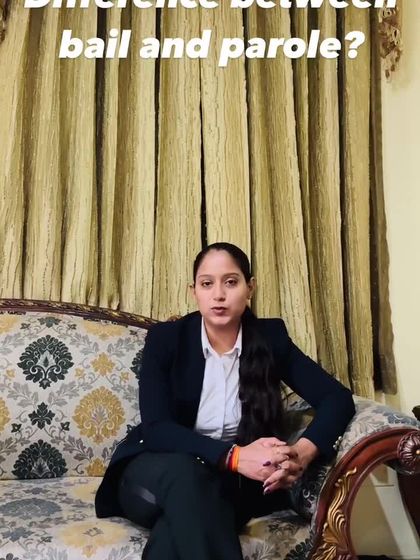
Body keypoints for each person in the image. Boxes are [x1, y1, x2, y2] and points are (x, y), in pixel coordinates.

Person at [95, 242, 355, 560]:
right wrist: (233, 457)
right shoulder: (167, 339)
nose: (218, 294)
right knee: (187, 475)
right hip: (153, 475)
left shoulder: (270, 338)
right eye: (207, 284)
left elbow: (337, 398)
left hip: (228, 487)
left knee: (182, 525)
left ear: (250, 288)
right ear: (194, 291)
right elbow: (157, 428)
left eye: (231, 282)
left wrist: (301, 454)